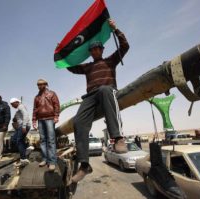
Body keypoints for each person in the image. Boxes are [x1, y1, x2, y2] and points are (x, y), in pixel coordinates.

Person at [67, 19, 130, 182]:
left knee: (104, 89)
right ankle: (84, 165)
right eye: (92, 49)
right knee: (78, 122)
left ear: (102, 50)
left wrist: (116, 29)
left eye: (97, 48)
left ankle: (117, 138)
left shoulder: (110, 61)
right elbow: (71, 67)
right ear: (90, 52)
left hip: (106, 92)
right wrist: (65, 51)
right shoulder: (87, 67)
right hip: (90, 96)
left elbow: (125, 47)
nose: (95, 51)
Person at [32, 79, 60, 172]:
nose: (39, 86)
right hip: (40, 120)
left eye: (41, 84)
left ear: (45, 84)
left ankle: (52, 162)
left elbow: (56, 105)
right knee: (43, 140)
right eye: (38, 85)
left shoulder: (52, 93)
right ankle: (45, 159)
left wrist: (56, 116)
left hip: (50, 119)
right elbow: (35, 110)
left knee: (51, 140)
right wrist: (34, 121)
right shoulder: (36, 97)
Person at [10, 98, 31, 166]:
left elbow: (26, 115)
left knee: (19, 141)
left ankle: (23, 159)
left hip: (23, 126)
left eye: (13, 104)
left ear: (16, 102)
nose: (12, 106)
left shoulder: (20, 106)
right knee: (14, 139)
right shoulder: (19, 109)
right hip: (21, 126)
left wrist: (24, 126)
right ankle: (26, 148)